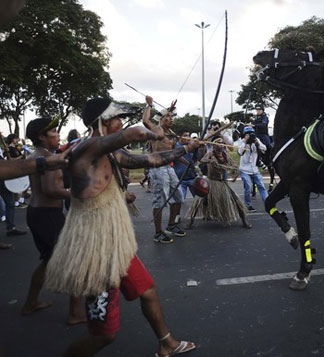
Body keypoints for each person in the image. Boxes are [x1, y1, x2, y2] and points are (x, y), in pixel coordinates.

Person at [44, 98, 198, 357]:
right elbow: (138, 132)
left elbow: (147, 159)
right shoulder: (89, 147)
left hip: (116, 243)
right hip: (97, 249)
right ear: (103, 122)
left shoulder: (108, 151)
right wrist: (156, 129)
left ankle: (167, 343)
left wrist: (185, 149)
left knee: (147, 290)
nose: (121, 123)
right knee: (104, 334)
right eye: (117, 118)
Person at [21, 118, 86, 324]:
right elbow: (51, 190)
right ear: (42, 136)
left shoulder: (37, 155)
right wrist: (79, 193)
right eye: (54, 131)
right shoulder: (48, 158)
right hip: (48, 215)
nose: (58, 135)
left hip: (37, 213)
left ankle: (30, 303)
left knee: (48, 261)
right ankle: (76, 313)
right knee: (74, 261)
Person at [143, 95, 186, 242]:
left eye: (172, 117)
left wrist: (189, 163)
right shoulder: (156, 130)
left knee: (179, 196)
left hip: (169, 168)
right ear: (161, 119)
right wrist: (149, 105)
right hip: (157, 169)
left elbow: (174, 154)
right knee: (159, 201)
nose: (171, 119)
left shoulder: (172, 136)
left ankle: (171, 225)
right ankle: (158, 233)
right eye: (167, 117)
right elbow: (145, 121)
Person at [186, 137, 252, 228]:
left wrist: (235, 173)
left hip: (222, 183)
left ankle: (244, 221)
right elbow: (202, 160)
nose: (221, 144)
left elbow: (234, 166)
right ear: (214, 145)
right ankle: (190, 223)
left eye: (222, 143)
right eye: (218, 143)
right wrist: (210, 161)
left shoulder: (225, 155)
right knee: (200, 201)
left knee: (236, 200)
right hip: (210, 182)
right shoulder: (210, 154)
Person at [238, 126, 268, 212]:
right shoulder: (242, 142)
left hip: (254, 170)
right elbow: (240, 152)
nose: (250, 136)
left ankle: (267, 203)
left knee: (261, 186)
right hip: (244, 170)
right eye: (248, 134)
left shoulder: (256, 140)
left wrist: (257, 143)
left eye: (252, 134)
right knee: (248, 186)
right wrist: (245, 141)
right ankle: (248, 205)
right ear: (244, 135)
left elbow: (264, 148)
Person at [174, 132, 198, 199]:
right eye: (185, 136)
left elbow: (198, 158)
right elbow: (178, 156)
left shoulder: (191, 147)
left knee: (198, 198)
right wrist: (189, 164)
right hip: (180, 179)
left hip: (192, 177)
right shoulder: (176, 146)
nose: (187, 138)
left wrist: (198, 147)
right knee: (180, 200)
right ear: (180, 137)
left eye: (188, 136)